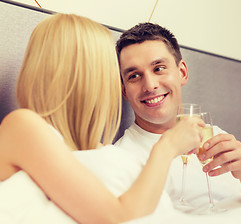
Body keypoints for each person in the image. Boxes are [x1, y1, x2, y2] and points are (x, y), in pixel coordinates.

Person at [0, 14, 204, 223]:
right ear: (85, 74)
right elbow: (117, 218)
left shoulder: (90, 150)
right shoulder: (23, 126)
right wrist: (167, 147)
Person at [114, 22, 241, 209]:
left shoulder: (213, 136)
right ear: (124, 91)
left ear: (182, 73)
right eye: (134, 76)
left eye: (159, 68)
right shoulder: (121, 158)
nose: (150, 85)